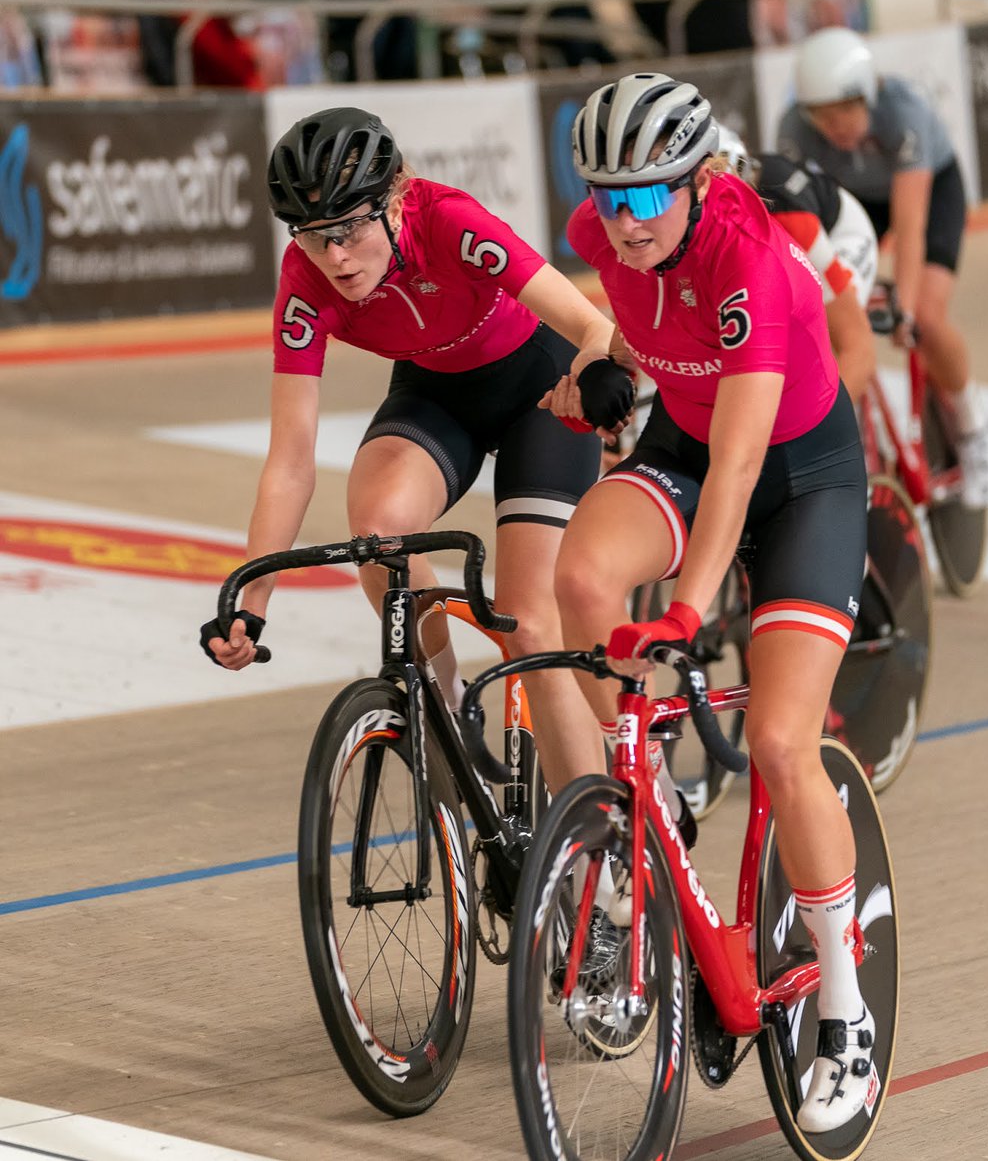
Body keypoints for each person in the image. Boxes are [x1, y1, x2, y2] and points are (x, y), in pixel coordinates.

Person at [542, 72, 875, 1133]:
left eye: (649, 196)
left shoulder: (750, 265)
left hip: (802, 479)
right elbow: (639, 324)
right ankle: (648, 794)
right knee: (580, 577)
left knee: (778, 741)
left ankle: (843, 1005)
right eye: (608, 197)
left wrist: (687, 614)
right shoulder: (603, 233)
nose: (625, 221)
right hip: (686, 445)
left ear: (696, 182)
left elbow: (739, 471)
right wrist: (602, 364)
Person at [198, 106, 612, 790]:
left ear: (393, 201)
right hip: (436, 391)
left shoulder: (449, 221)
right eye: (312, 235)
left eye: (350, 228)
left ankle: (593, 832)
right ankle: (446, 709)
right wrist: (253, 597)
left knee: (528, 623)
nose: (335, 256)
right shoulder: (304, 282)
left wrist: (598, 375)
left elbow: (592, 328)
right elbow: (291, 461)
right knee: (379, 533)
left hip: (538, 390)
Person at [778, 26, 988, 508]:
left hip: (929, 193)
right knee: (831, 314)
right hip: (854, 205)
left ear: (868, 95)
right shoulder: (794, 130)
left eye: (845, 110)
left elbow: (910, 226)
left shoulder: (904, 113)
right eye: (822, 115)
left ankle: (974, 429)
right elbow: (800, 230)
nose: (835, 126)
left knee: (928, 318)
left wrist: (906, 311)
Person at [716, 123, 877, 402]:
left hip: (838, 235)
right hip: (778, 243)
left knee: (820, 333)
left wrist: (829, 423)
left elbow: (857, 344)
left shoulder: (791, 217)